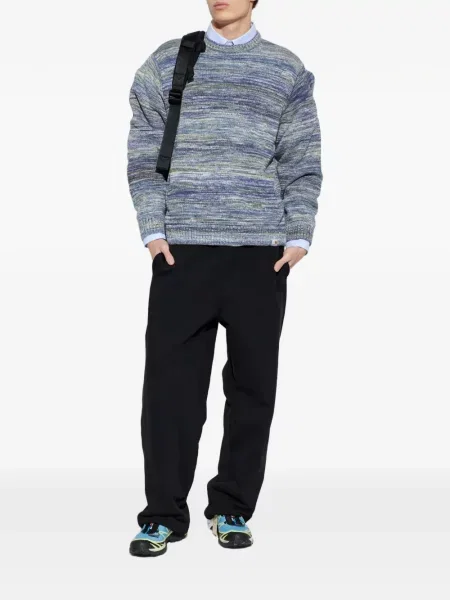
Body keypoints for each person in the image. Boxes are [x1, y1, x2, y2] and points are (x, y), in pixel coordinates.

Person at [126, 0, 322, 557]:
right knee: (169, 393)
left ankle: (232, 507)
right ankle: (162, 516)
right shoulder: (168, 61)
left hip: (261, 255)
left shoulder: (285, 68)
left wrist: (298, 234)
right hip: (181, 252)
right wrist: (153, 230)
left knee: (252, 390)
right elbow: (144, 151)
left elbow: (302, 157)